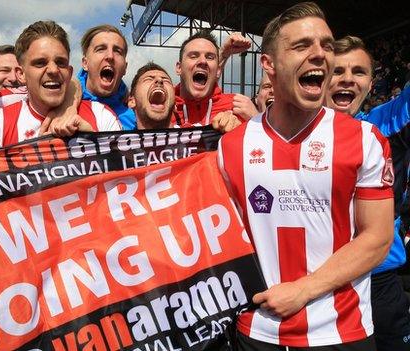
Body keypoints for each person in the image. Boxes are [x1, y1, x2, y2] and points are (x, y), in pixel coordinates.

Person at [218, 3, 393, 350]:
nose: (319, 55)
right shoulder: (230, 147)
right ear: (268, 64)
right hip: (256, 333)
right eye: (301, 46)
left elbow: (377, 237)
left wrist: (303, 290)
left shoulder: (364, 140)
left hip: (342, 332)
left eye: (326, 45)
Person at [325, 35, 410, 351]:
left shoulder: (384, 124)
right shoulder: (294, 136)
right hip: (322, 285)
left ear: (371, 84)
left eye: (358, 72)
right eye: (338, 71)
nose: (347, 78)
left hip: (380, 283)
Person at [0, 20, 120, 148]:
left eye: (60, 62)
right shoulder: (0, 123)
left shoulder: (102, 116)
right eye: (40, 63)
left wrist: (95, 142)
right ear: (21, 74)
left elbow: (128, 171)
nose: (53, 70)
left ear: (70, 72)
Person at [174, 30, 256, 127]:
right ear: (179, 68)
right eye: (193, 56)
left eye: (209, 57)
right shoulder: (163, 109)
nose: (203, 61)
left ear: (218, 70)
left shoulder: (238, 107)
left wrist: (256, 119)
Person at [78, 24, 135, 130]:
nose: (110, 56)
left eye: (117, 51)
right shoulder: (64, 102)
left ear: (125, 68)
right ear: (85, 63)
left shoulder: (133, 118)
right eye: (100, 49)